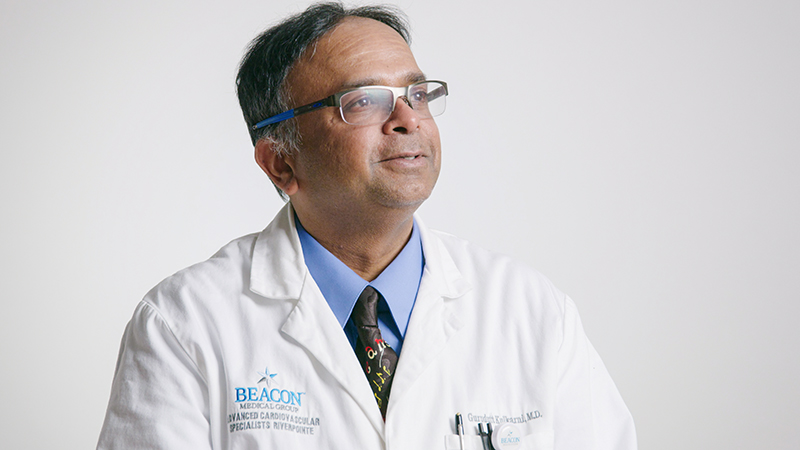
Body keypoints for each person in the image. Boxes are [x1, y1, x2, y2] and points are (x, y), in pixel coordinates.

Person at [97, 2, 637, 449]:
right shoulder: (183, 324)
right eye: (363, 101)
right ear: (281, 162)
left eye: (417, 94)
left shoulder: (533, 314)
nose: (408, 119)